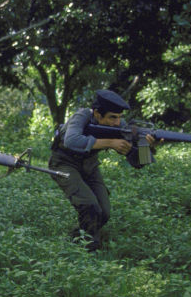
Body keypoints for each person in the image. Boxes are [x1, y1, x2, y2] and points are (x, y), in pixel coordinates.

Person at [48, 89, 154, 251]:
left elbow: (139, 162)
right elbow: (71, 140)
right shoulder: (82, 116)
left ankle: (78, 237)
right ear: (97, 114)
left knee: (103, 212)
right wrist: (109, 143)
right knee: (89, 204)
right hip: (64, 163)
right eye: (113, 117)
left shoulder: (120, 126)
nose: (118, 123)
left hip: (89, 166)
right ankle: (89, 249)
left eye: (119, 117)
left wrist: (147, 146)